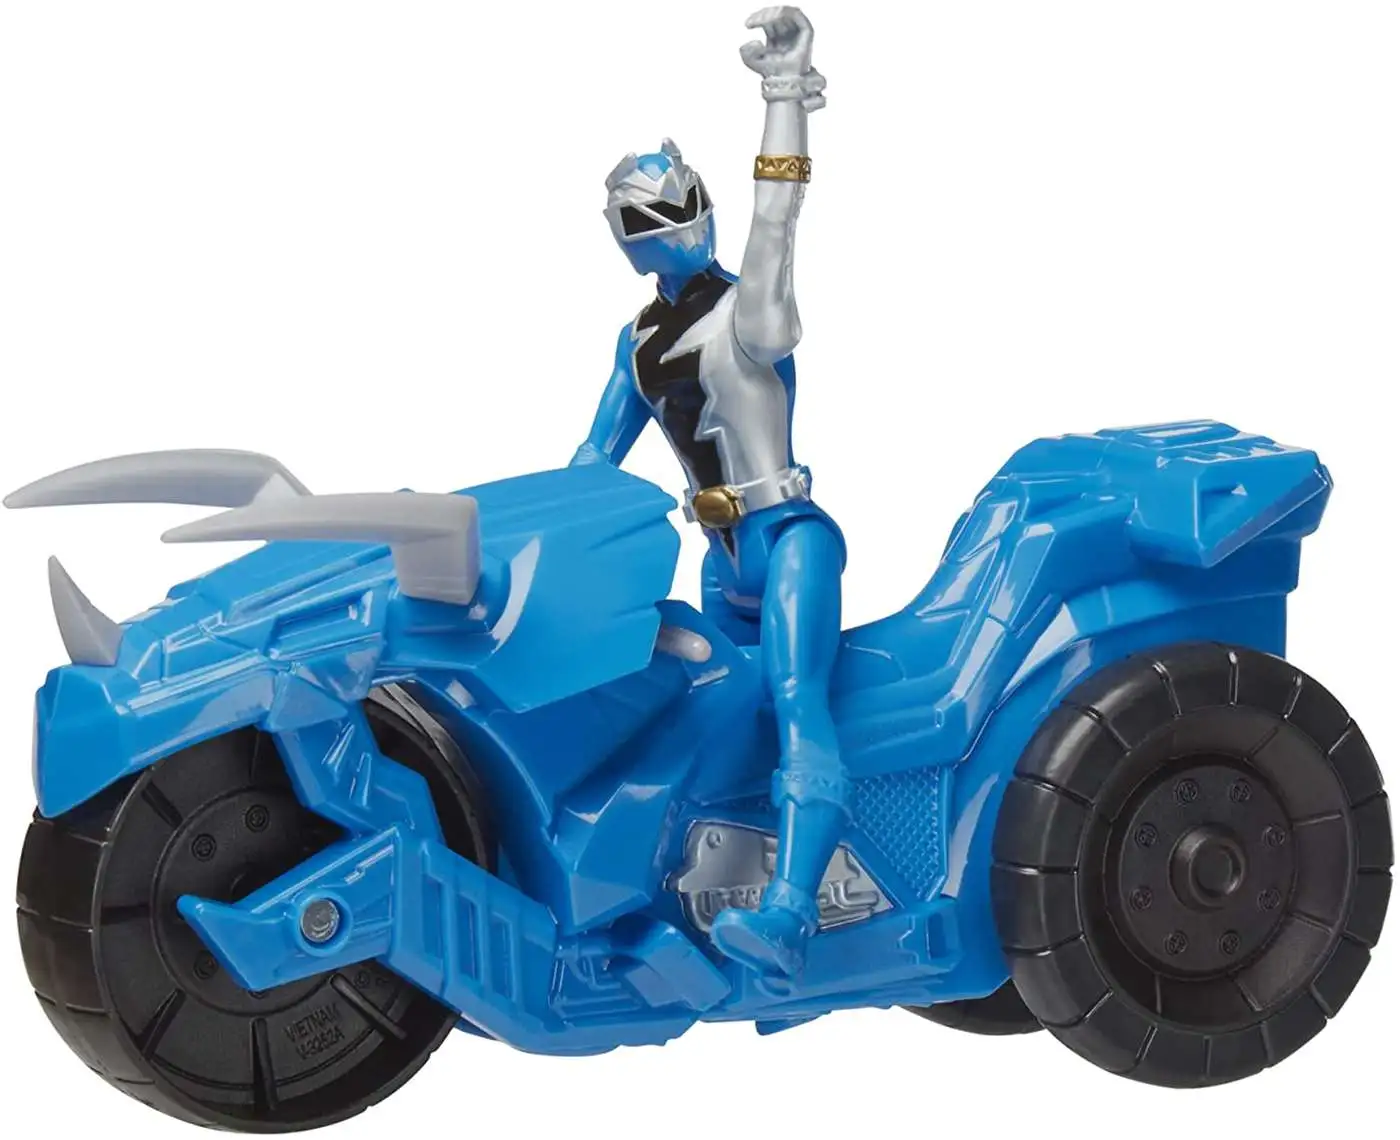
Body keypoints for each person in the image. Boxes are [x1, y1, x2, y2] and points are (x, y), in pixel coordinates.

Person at [570, 7, 842, 978]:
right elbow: (591, 464)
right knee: (709, 720)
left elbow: (778, 216)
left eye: (684, 203)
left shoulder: (747, 315)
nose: (676, 226)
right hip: (718, 560)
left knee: (797, 702)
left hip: (788, 538)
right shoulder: (637, 344)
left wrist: (782, 91)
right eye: (650, 218)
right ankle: (693, 893)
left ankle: (792, 914)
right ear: (624, 241)